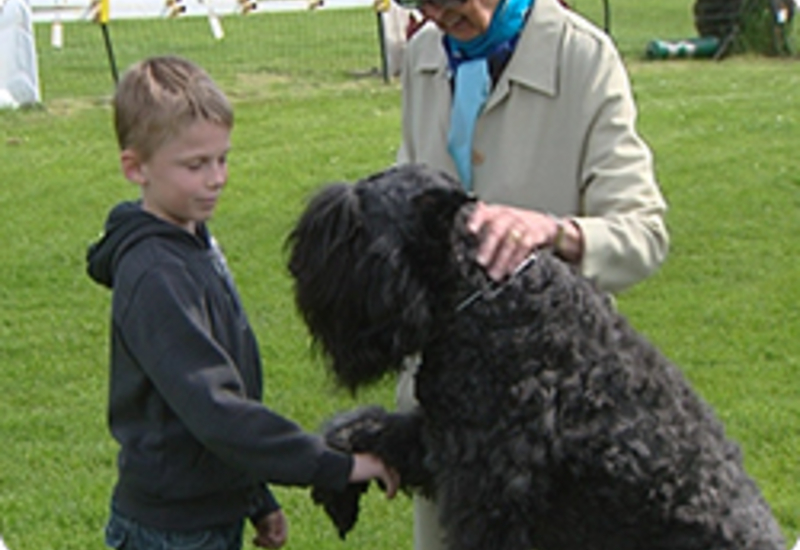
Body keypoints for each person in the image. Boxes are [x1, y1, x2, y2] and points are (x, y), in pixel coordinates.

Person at [86, 55, 399, 550]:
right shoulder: (154, 274)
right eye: (195, 165)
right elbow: (215, 409)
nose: (216, 178)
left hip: (210, 513)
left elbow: (219, 399)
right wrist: (338, 466)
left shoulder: (192, 242)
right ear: (135, 167)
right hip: (169, 532)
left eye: (222, 158)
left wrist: (255, 497)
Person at [392, 0, 670, 548]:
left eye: (443, 1)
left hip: (550, 411)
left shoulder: (582, 57)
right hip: (448, 400)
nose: (433, 15)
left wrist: (556, 232)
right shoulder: (425, 53)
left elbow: (644, 233)